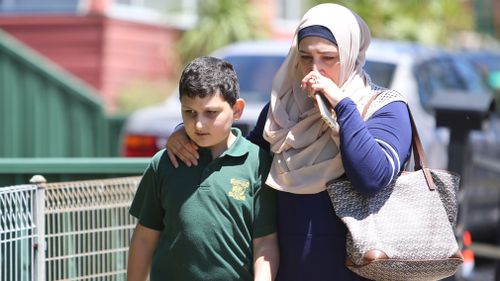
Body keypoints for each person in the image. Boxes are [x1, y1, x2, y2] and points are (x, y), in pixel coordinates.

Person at [166, 4, 412, 281]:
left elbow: (371, 177)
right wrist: (185, 132)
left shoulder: (384, 109)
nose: (314, 70)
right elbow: (244, 157)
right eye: (305, 57)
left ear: (352, 55)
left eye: (328, 58)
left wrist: (342, 105)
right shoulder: (283, 109)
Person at [127, 56, 279, 281]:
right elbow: (144, 237)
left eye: (211, 113)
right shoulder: (165, 163)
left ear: (237, 110)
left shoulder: (256, 163)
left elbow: (265, 241)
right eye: (189, 113)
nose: (198, 124)